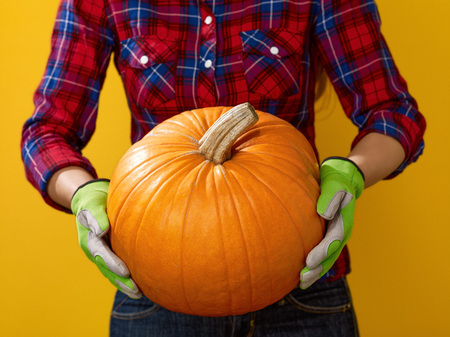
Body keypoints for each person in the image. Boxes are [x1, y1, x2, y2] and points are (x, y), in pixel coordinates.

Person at [21, 0, 426, 336]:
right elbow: (47, 132)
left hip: (303, 284)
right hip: (156, 291)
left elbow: (394, 114)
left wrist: (350, 173)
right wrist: (82, 194)